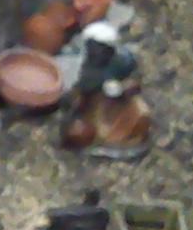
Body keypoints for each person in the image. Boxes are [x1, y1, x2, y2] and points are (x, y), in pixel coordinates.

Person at [63, 21, 152, 158]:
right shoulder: (83, 64)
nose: (96, 52)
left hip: (118, 105)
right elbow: (78, 90)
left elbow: (135, 82)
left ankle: (122, 140)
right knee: (78, 131)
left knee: (141, 115)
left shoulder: (123, 61)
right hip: (93, 108)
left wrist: (121, 88)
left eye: (100, 48)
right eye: (93, 48)